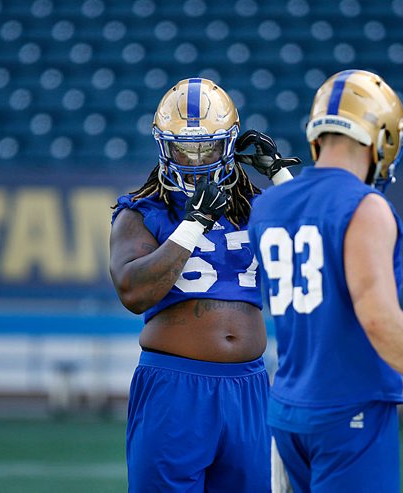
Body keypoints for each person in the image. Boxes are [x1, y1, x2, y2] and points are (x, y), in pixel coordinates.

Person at [247, 69, 403, 492]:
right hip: (349, 409)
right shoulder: (366, 207)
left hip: (288, 408)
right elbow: (379, 319)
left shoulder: (269, 205)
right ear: (380, 136)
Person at [109, 77, 300, 493]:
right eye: (183, 148)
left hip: (249, 386)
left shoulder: (256, 205)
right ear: (163, 147)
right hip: (174, 387)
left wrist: (282, 179)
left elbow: (321, 242)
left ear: (229, 146)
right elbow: (132, 291)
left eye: (207, 147)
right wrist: (193, 225)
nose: (195, 160)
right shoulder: (142, 212)